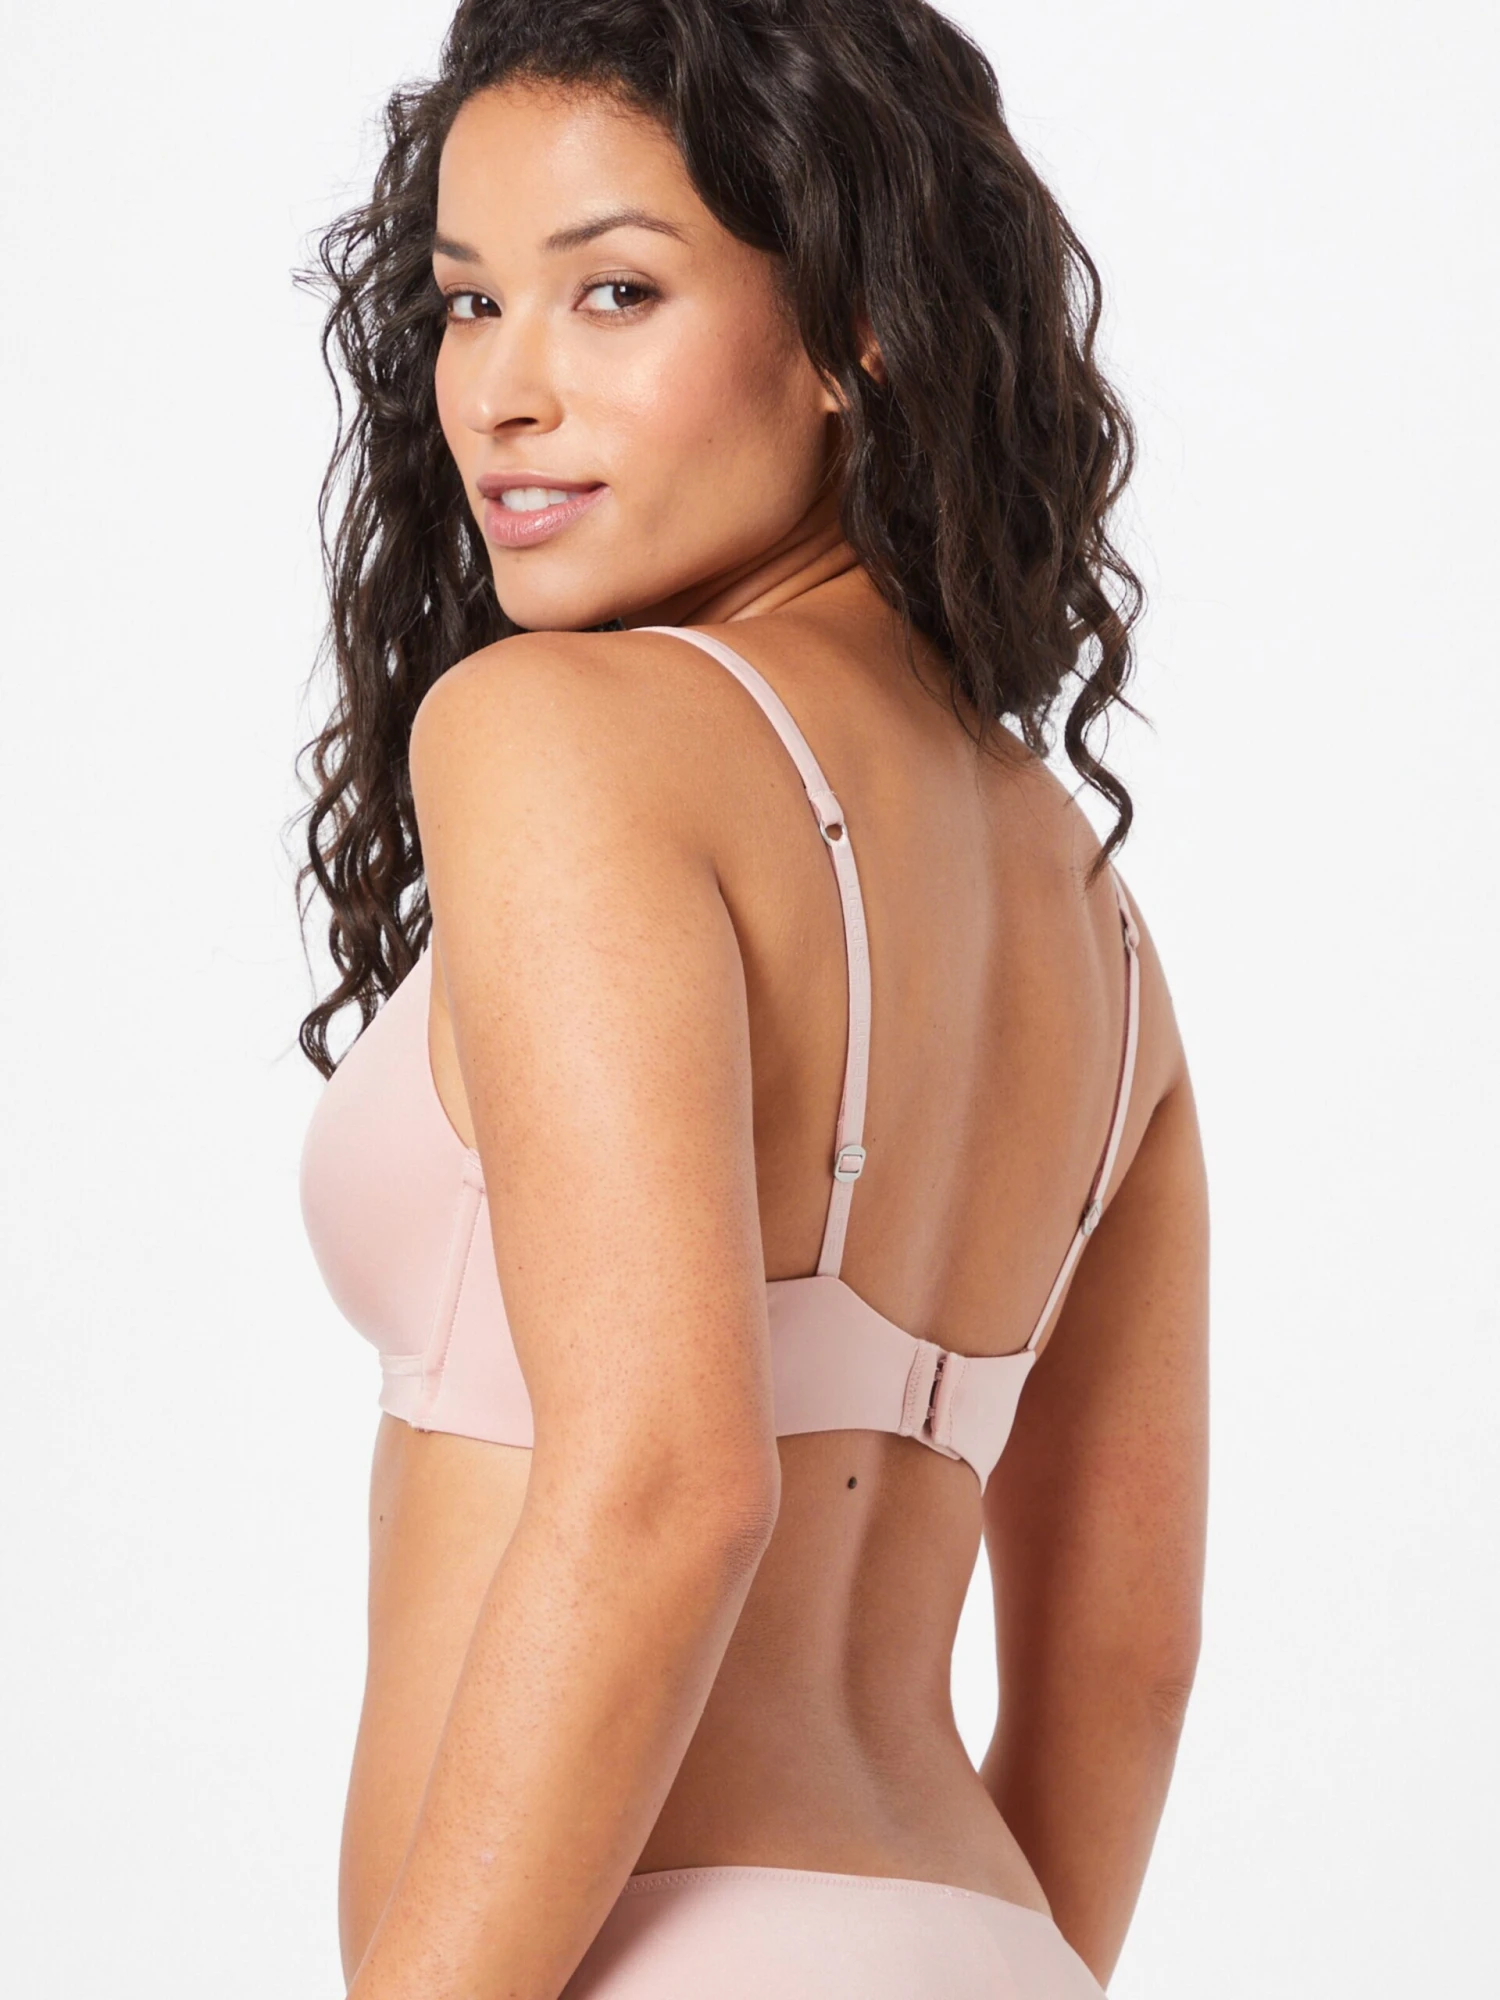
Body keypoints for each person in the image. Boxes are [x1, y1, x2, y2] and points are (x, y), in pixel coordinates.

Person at [295, 2, 1210, 1994]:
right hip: (990, 1943)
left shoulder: (558, 732)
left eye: (615, 291)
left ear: (853, 327)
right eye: (468, 304)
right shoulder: (1093, 916)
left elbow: (666, 1489)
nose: (503, 393)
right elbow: (1126, 1663)